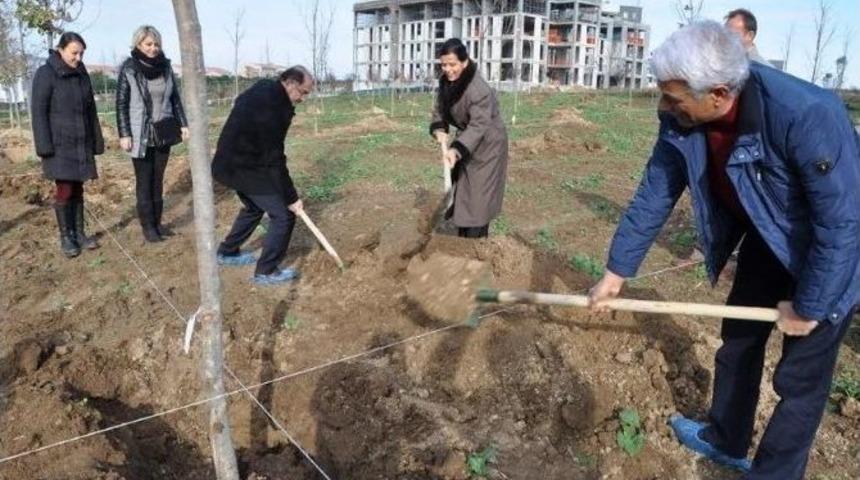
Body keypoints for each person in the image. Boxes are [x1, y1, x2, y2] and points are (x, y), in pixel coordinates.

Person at [588, 21, 860, 480]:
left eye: (673, 97)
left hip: (831, 254)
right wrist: (617, 271)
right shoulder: (681, 117)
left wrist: (812, 303)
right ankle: (726, 438)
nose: (664, 106)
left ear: (718, 93)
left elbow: (842, 222)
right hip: (766, 240)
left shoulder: (807, 114)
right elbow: (656, 190)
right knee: (737, 342)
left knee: (800, 381)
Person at [212, 66, 313, 285]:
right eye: (303, 92)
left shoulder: (264, 87)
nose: (303, 98)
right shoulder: (276, 109)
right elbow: (274, 158)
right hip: (244, 166)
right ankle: (266, 271)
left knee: (255, 206)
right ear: (290, 84)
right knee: (283, 216)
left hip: (229, 161)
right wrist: (291, 197)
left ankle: (227, 252)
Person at [31, 32, 104, 258]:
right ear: (60, 50)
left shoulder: (82, 74)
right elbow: (38, 113)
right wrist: (44, 146)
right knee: (65, 189)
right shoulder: (46, 74)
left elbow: (91, 110)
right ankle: (66, 237)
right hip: (59, 144)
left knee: (79, 188)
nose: (78, 58)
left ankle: (80, 233)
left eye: (81, 53)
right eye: (74, 53)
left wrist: (96, 140)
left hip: (81, 141)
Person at [116, 25, 189, 243]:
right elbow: (121, 103)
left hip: (163, 130)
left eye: (156, 44)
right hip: (140, 133)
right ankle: (148, 227)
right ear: (138, 44)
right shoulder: (129, 69)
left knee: (158, 181)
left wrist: (183, 124)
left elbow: (175, 98)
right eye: (148, 44)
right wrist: (124, 133)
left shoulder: (166, 68)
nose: (153, 48)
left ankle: (158, 223)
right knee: (144, 181)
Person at [430, 38, 508, 238]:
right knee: (465, 191)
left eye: (453, 64)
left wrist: (456, 150)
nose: (448, 69)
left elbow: (479, 124)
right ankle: (464, 236)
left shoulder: (477, 89)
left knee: (478, 197)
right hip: (468, 139)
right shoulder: (447, 82)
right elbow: (440, 107)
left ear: (464, 62)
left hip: (488, 144)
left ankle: (477, 242)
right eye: (444, 65)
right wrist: (439, 127)